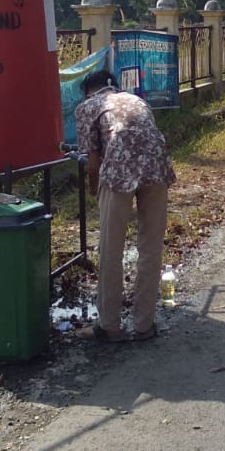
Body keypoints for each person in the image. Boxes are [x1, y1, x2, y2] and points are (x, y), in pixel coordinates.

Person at [73, 69, 176, 342]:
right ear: (114, 86)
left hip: (119, 168)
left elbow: (93, 162)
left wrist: (95, 191)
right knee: (150, 247)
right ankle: (144, 325)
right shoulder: (136, 100)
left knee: (111, 248)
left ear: (89, 91)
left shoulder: (87, 106)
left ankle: (109, 326)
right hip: (157, 166)